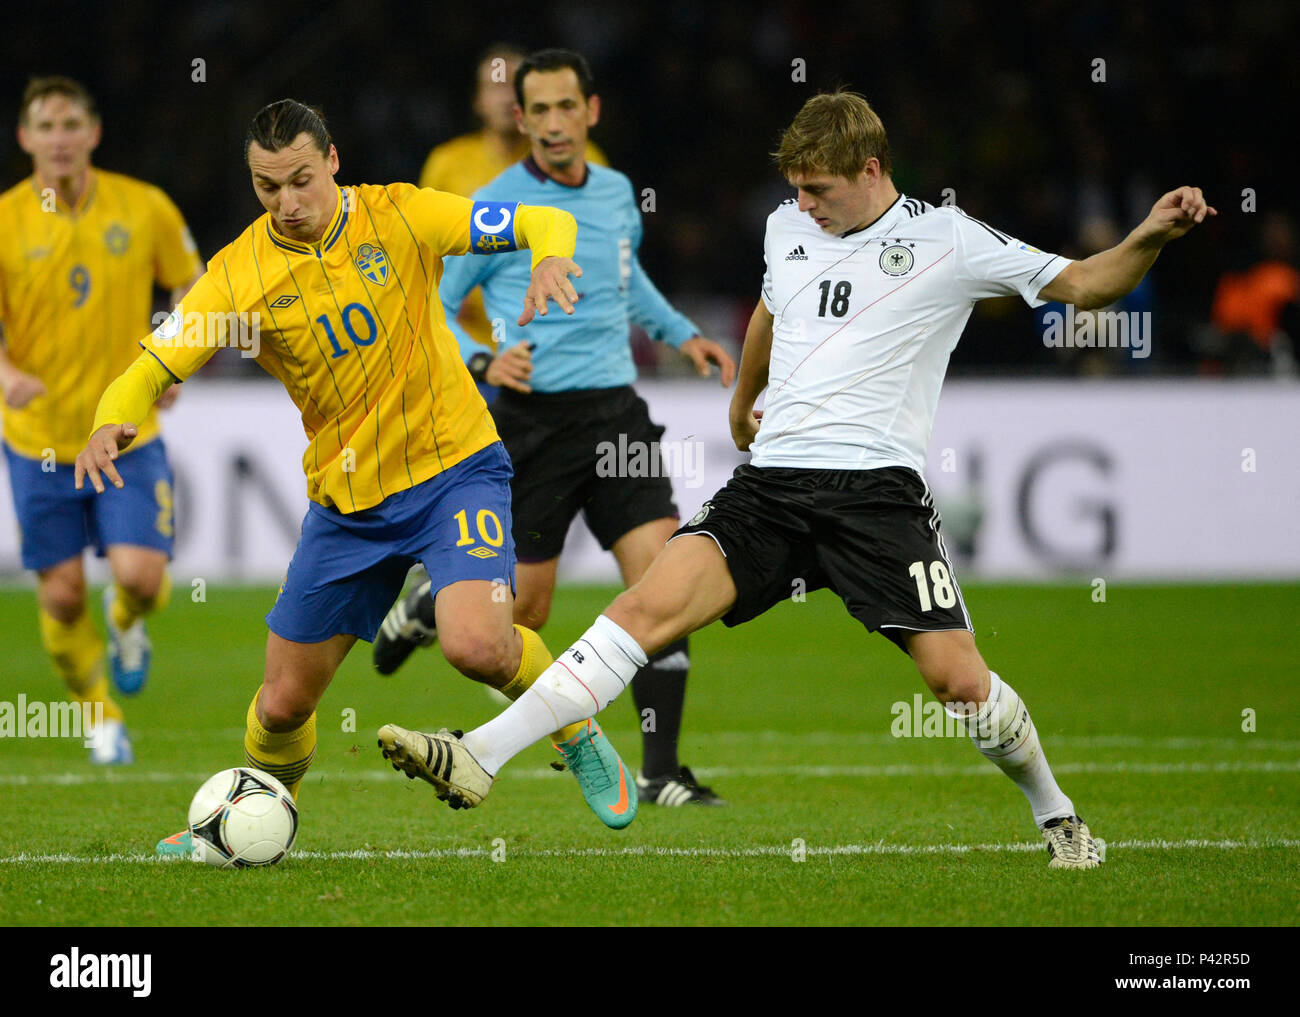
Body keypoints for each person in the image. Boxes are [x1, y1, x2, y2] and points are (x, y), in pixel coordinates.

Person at [375, 90, 1217, 868]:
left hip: (877, 496)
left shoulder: (952, 240)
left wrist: (1149, 234)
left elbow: (1084, 283)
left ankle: (1057, 814)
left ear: (871, 170)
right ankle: (480, 753)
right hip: (772, 485)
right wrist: (744, 400)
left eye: (818, 188)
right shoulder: (788, 226)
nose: (803, 204)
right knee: (642, 610)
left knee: (957, 682)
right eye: (797, 189)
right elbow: (772, 310)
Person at [73, 99, 639, 853]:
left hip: (454, 470)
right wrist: (113, 415)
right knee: (279, 704)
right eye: (267, 187)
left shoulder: (401, 215)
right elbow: (151, 364)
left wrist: (551, 255)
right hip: (347, 508)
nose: (288, 203)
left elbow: (533, 218)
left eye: (301, 180)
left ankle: (576, 727)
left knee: (479, 647)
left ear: (333, 160)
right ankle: (250, 822)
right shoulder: (239, 274)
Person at [374, 49, 736, 807]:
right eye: (536, 109)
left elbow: (628, 282)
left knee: (666, 580)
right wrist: (481, 357)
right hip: (532, 427)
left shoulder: (612, 193)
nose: (552, 123)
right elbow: (432, 303)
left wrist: (683, 334)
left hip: (616, 412)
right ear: (519, 117)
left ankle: (662, 769)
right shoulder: (497, 204)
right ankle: (426, 604)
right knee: (520, 618)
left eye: (565, 107)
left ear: (590, 111)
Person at [0, 76, 203, 764]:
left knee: (142, 580)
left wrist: (172, 356)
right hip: (38, 443)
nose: (59, 137)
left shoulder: (142, 206)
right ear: (26, 138)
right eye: (45, 126)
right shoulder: (5, 220)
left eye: (70, 124)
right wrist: (5, 375)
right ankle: (102, 717)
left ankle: (125, 625)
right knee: (59, 598)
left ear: (93, 133)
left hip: (124, 432)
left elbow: (194, 284)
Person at [418, 44, 609, 352]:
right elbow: (423, 247)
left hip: (558, 342)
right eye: (496, 86)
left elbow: (606, 247)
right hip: (470, 349)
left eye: (516, 86)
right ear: (478, 101)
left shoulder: (583, 161)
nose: (507, 96)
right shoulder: (447, 164)